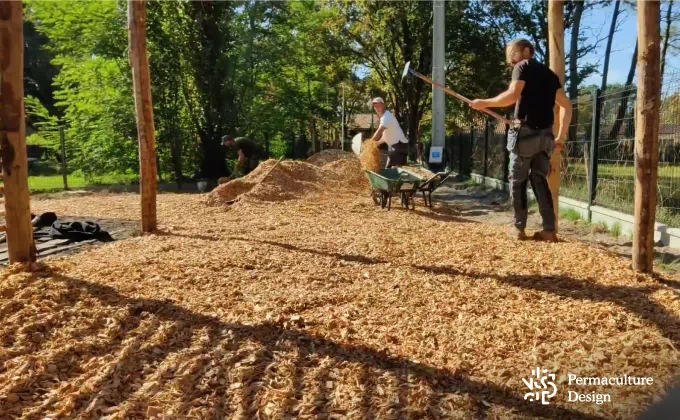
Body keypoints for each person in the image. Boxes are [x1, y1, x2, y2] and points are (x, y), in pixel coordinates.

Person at [470, 39, 572, 242]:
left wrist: (484, 103)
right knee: (540, 180)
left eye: (513, 53)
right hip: (546, 137)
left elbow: (512, 95)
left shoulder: (522, 66)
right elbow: (567, 106)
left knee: (517, 181)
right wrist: (561, 136)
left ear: (526, 51)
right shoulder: (550, 75)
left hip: (525, 133)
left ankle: (519, 228)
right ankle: (549, 230)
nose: (510, 59)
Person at [368, 97, 409, 168]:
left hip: (399, 145)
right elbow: (385, 137)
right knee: (390, 168)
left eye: (378, 106)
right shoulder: (384, 117)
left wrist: (370, 143)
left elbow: (379, 131)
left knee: (394, 170)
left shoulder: (386, 117)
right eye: (375, 107)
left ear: (383, 105)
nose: (377, 108)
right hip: (393, 146)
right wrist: (376, 143)